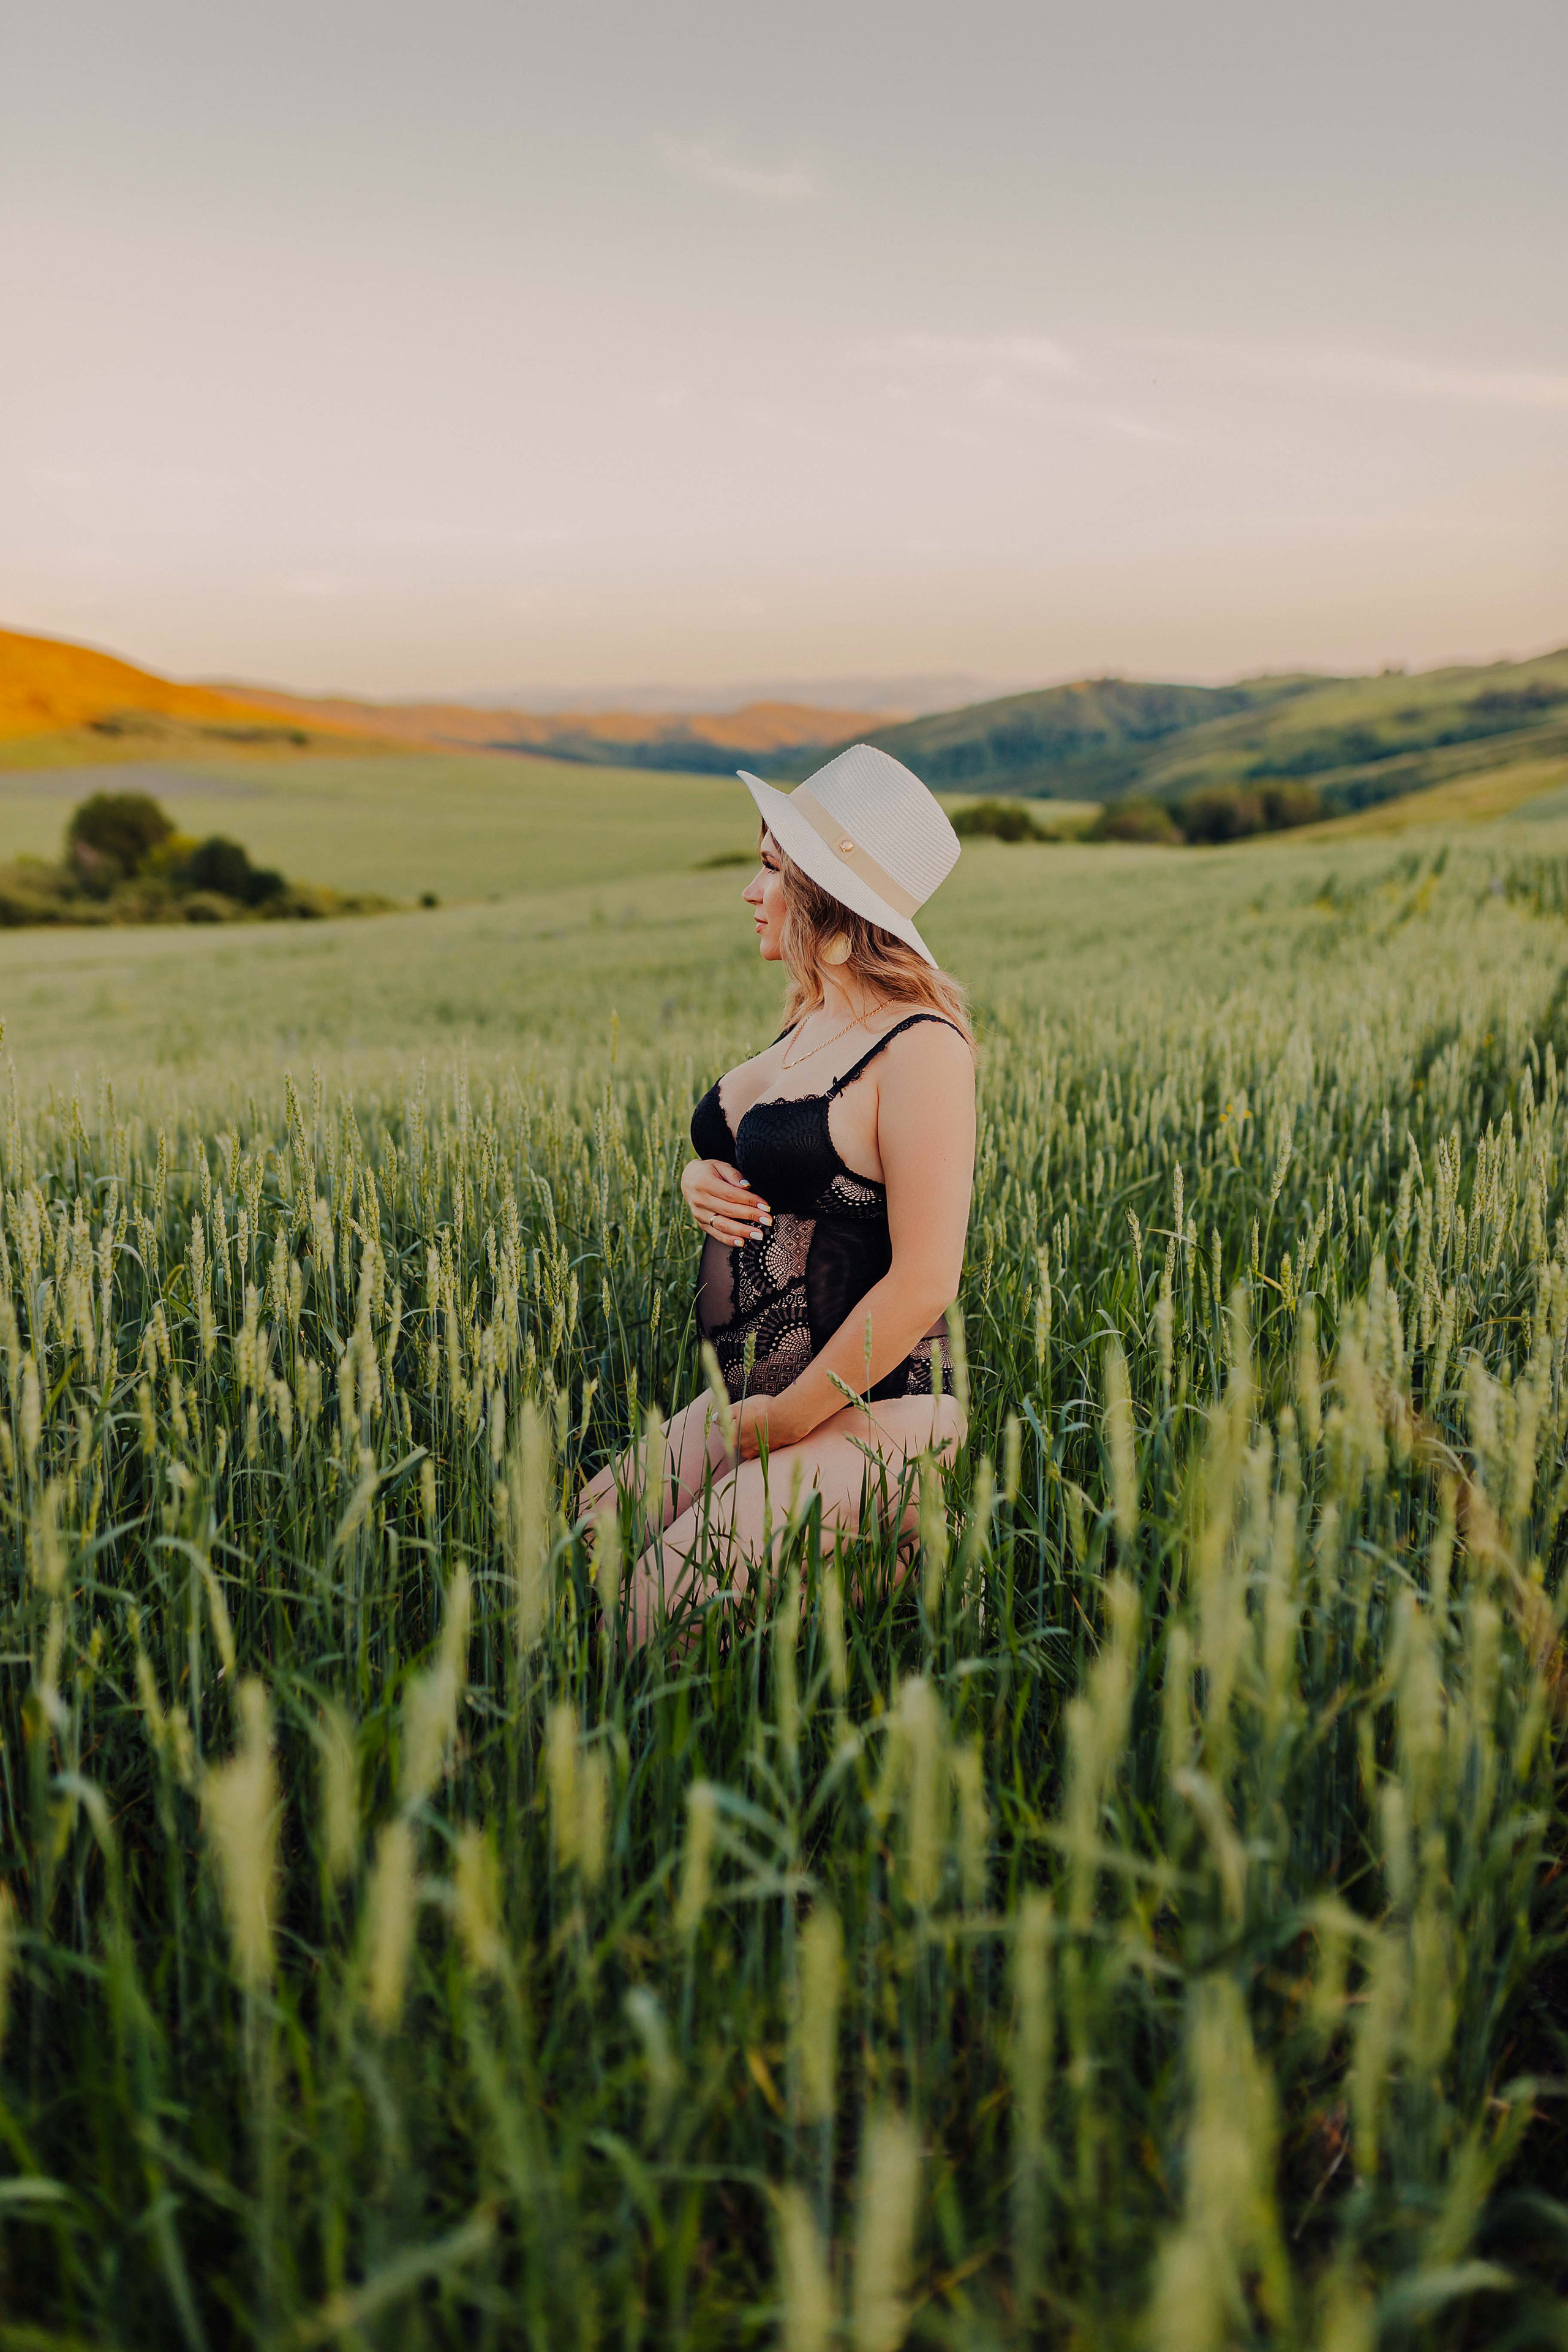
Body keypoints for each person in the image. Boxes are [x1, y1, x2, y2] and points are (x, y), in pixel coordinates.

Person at [582, 742, 976, 1645]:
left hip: (876, 1407)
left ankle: (902, 1539)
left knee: (645, 1614)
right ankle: (882, 1568)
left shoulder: (922, 1046)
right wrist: (698, 1174)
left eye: (769, 869)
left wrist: (787, 1422)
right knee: (584, 1546)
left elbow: (926, 1280)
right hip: (760, 1396)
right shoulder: (811, 1012)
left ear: (829, 898)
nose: (749, 892)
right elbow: (778, 1157)